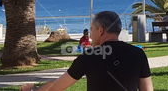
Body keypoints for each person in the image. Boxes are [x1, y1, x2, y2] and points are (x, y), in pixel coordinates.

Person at [21, 10, 153, 91]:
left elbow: (57, 87)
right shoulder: (138, 54)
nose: (90, 34)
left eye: (92, 29)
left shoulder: (89, 56)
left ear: (100, 30)